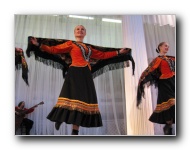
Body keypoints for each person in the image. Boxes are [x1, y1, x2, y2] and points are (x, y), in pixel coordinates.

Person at [30, 25, 129, 135]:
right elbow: (54, 50)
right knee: (70, 96)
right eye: (78, 29)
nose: (80, 31)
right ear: (74, 33)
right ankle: (60, 119)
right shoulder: (70, 44)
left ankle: (75, 130)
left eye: (82, 29)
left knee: (83, 101)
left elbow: (103, 55)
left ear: (85, 33)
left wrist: (118, 52)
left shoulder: (89, 48)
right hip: (75, 72)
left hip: (86, 74)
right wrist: (39, 45)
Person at [137, 42, 175, 135]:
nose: (167, 47)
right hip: (164, 83)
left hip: (173, 82)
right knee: (171, 103)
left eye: (168, 46)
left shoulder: (172, 58)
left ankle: (168, 126)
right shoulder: (157, 60)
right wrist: (142, 79)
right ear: (160, 47)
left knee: (170, 107)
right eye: (165, 45)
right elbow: (149, 70)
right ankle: (168, 127)